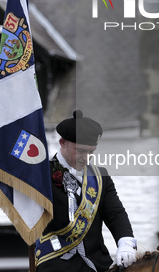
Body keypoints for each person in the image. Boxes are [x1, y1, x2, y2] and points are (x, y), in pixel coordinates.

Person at [35, 110, 137, 272]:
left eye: (91, 152)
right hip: (55, 263)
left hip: (97, 263)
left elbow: (115, 213)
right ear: (62, 142)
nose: (86, 157)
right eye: (81, 150)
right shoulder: (40, 175)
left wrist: (125, 242)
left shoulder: (100, 176)